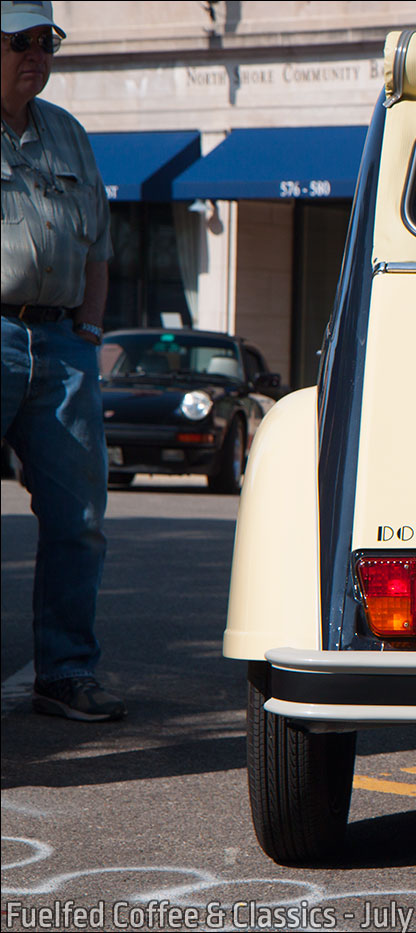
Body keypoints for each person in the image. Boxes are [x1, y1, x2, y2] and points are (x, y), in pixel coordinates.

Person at [1, 0, 123, 720]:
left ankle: (66, 670)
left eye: (47, 41)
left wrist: (90, 329)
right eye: (20, 42)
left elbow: (99, 245)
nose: (36, 55)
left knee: (79, 516)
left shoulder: (70, 135)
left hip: (60, 343)